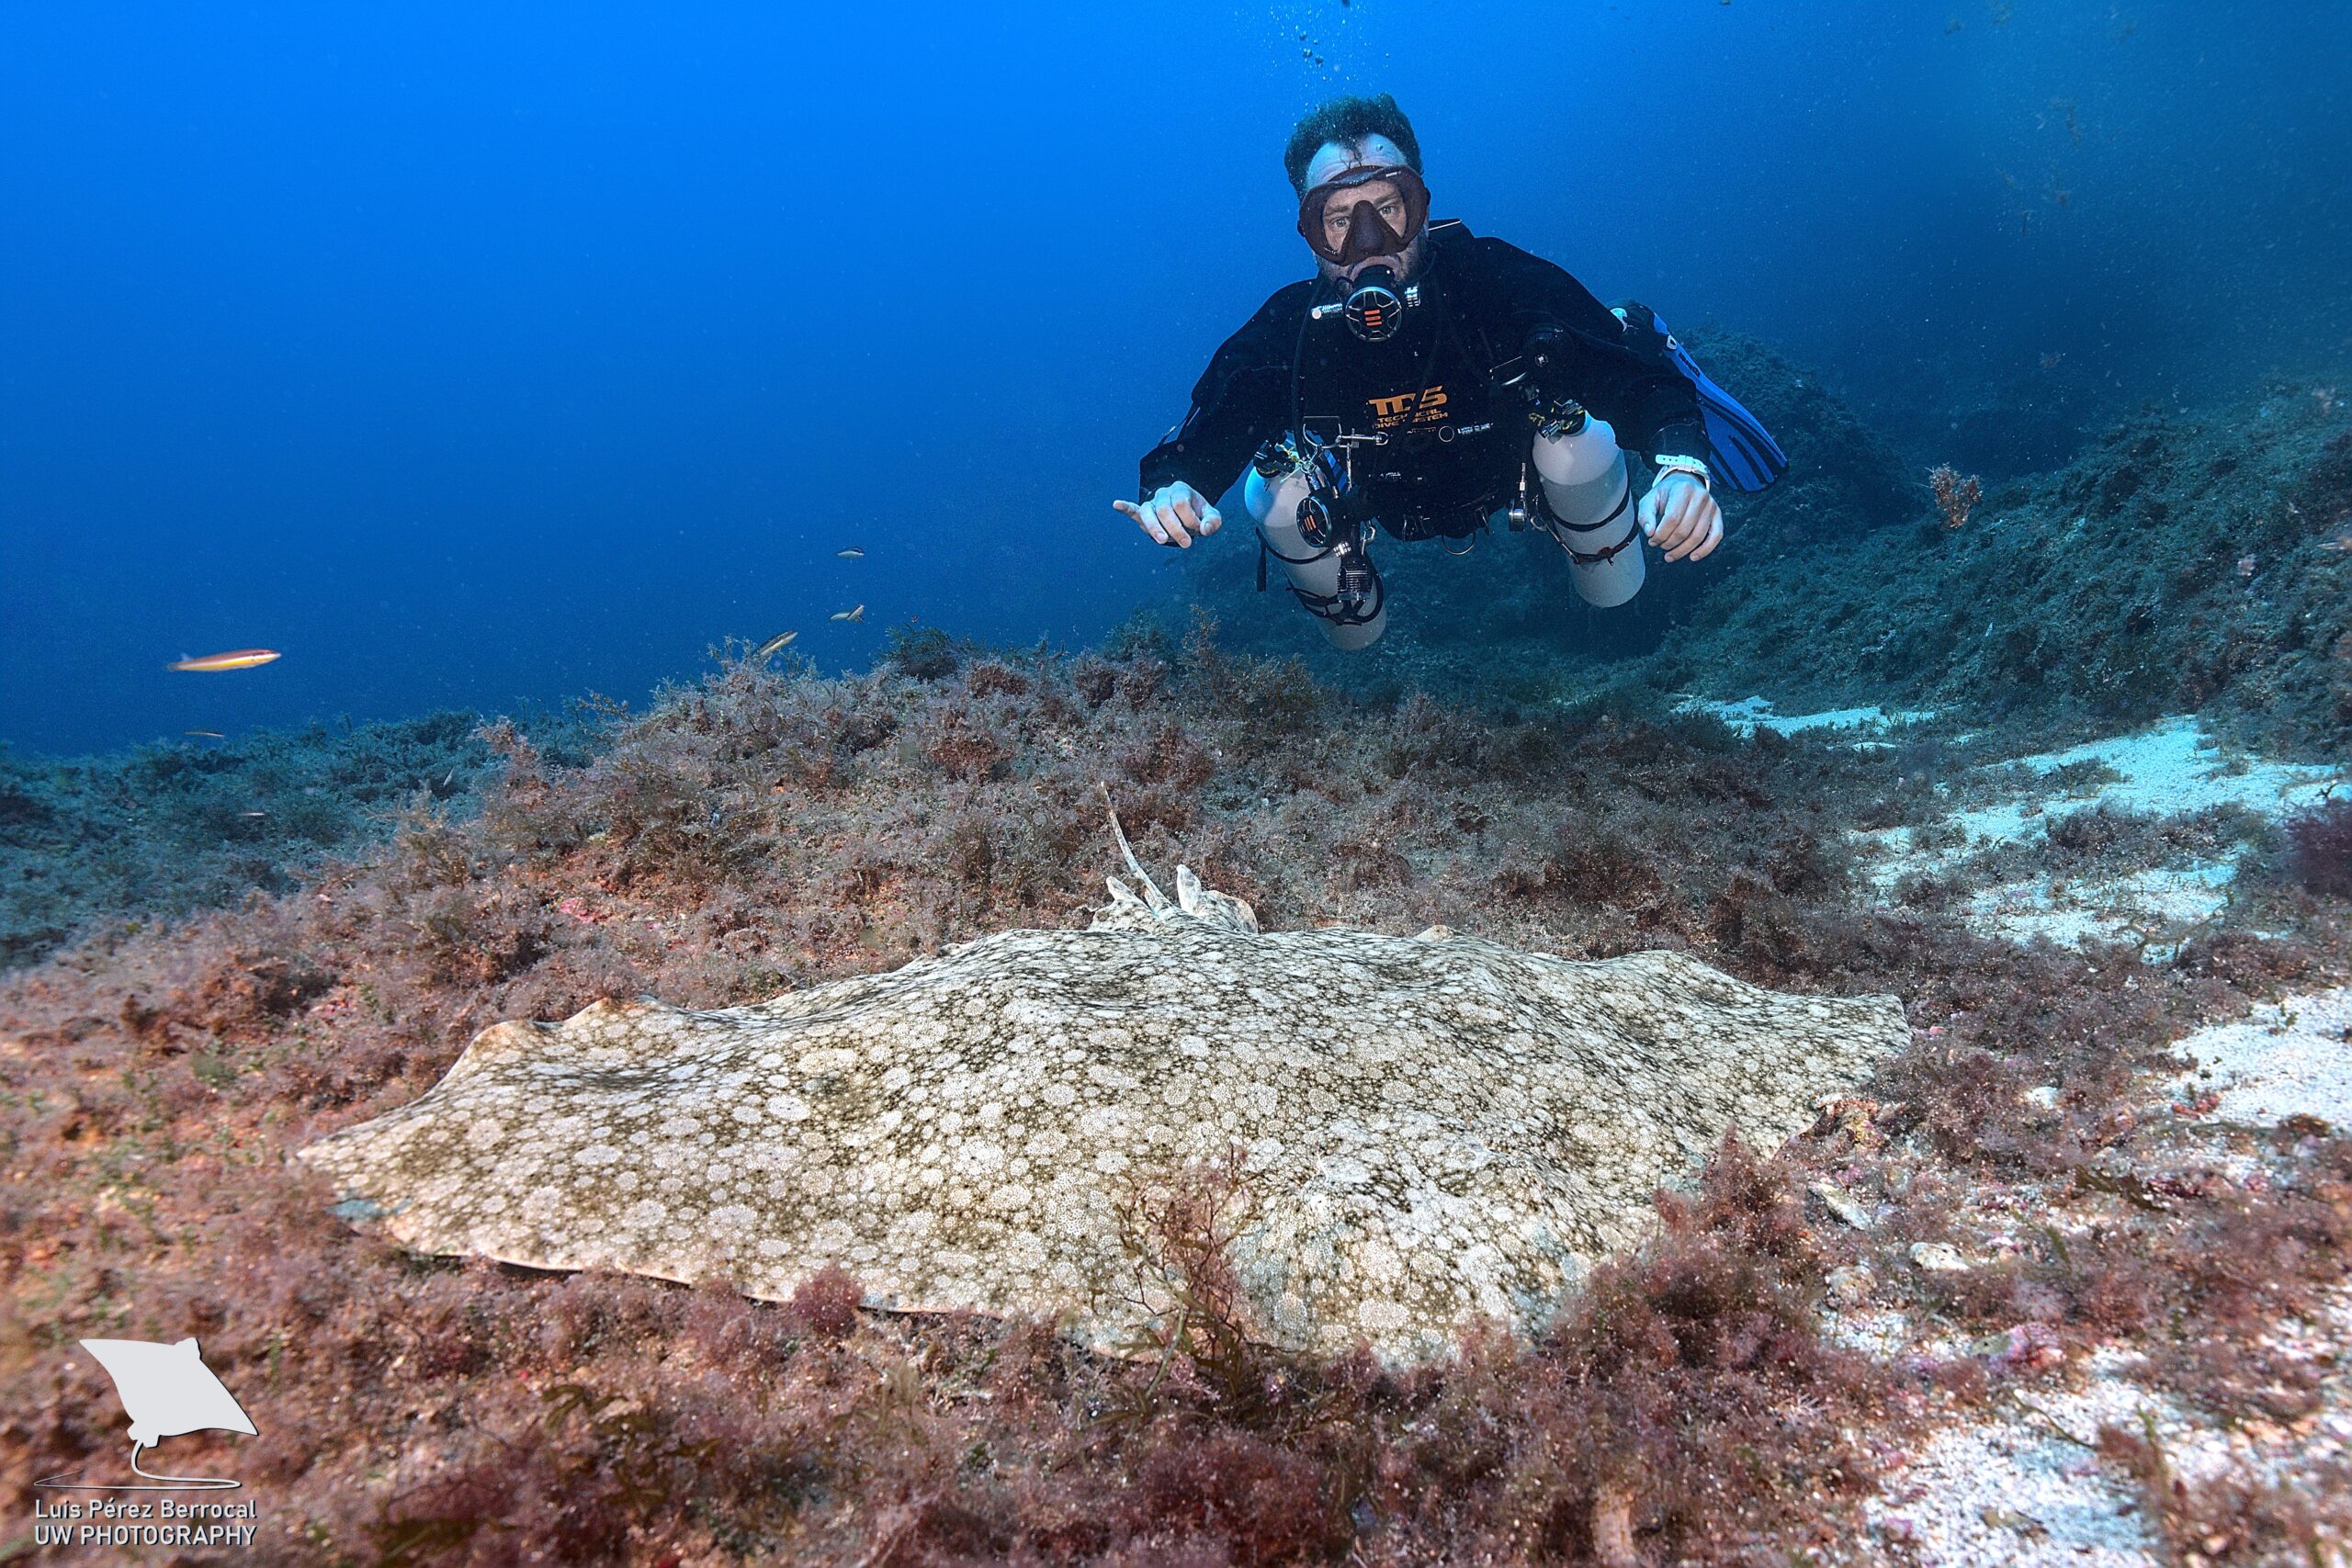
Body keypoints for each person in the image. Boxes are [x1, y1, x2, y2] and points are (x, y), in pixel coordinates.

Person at [1114, 95, 1783, 649]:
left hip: (1514, 475)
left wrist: (1683, 466)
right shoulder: (1292, 332)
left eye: (1389, 208)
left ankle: (1600, 551)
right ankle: (1353, 611)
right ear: (1310, 235)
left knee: (1579, 449)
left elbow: (1638, 379)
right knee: (1274, 493)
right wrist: (1178, 486)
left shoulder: (1496, 282)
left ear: (1423, 209)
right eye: (1340, 220)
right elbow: (1218, 417)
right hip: (1370, 504)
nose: (1368, 243)